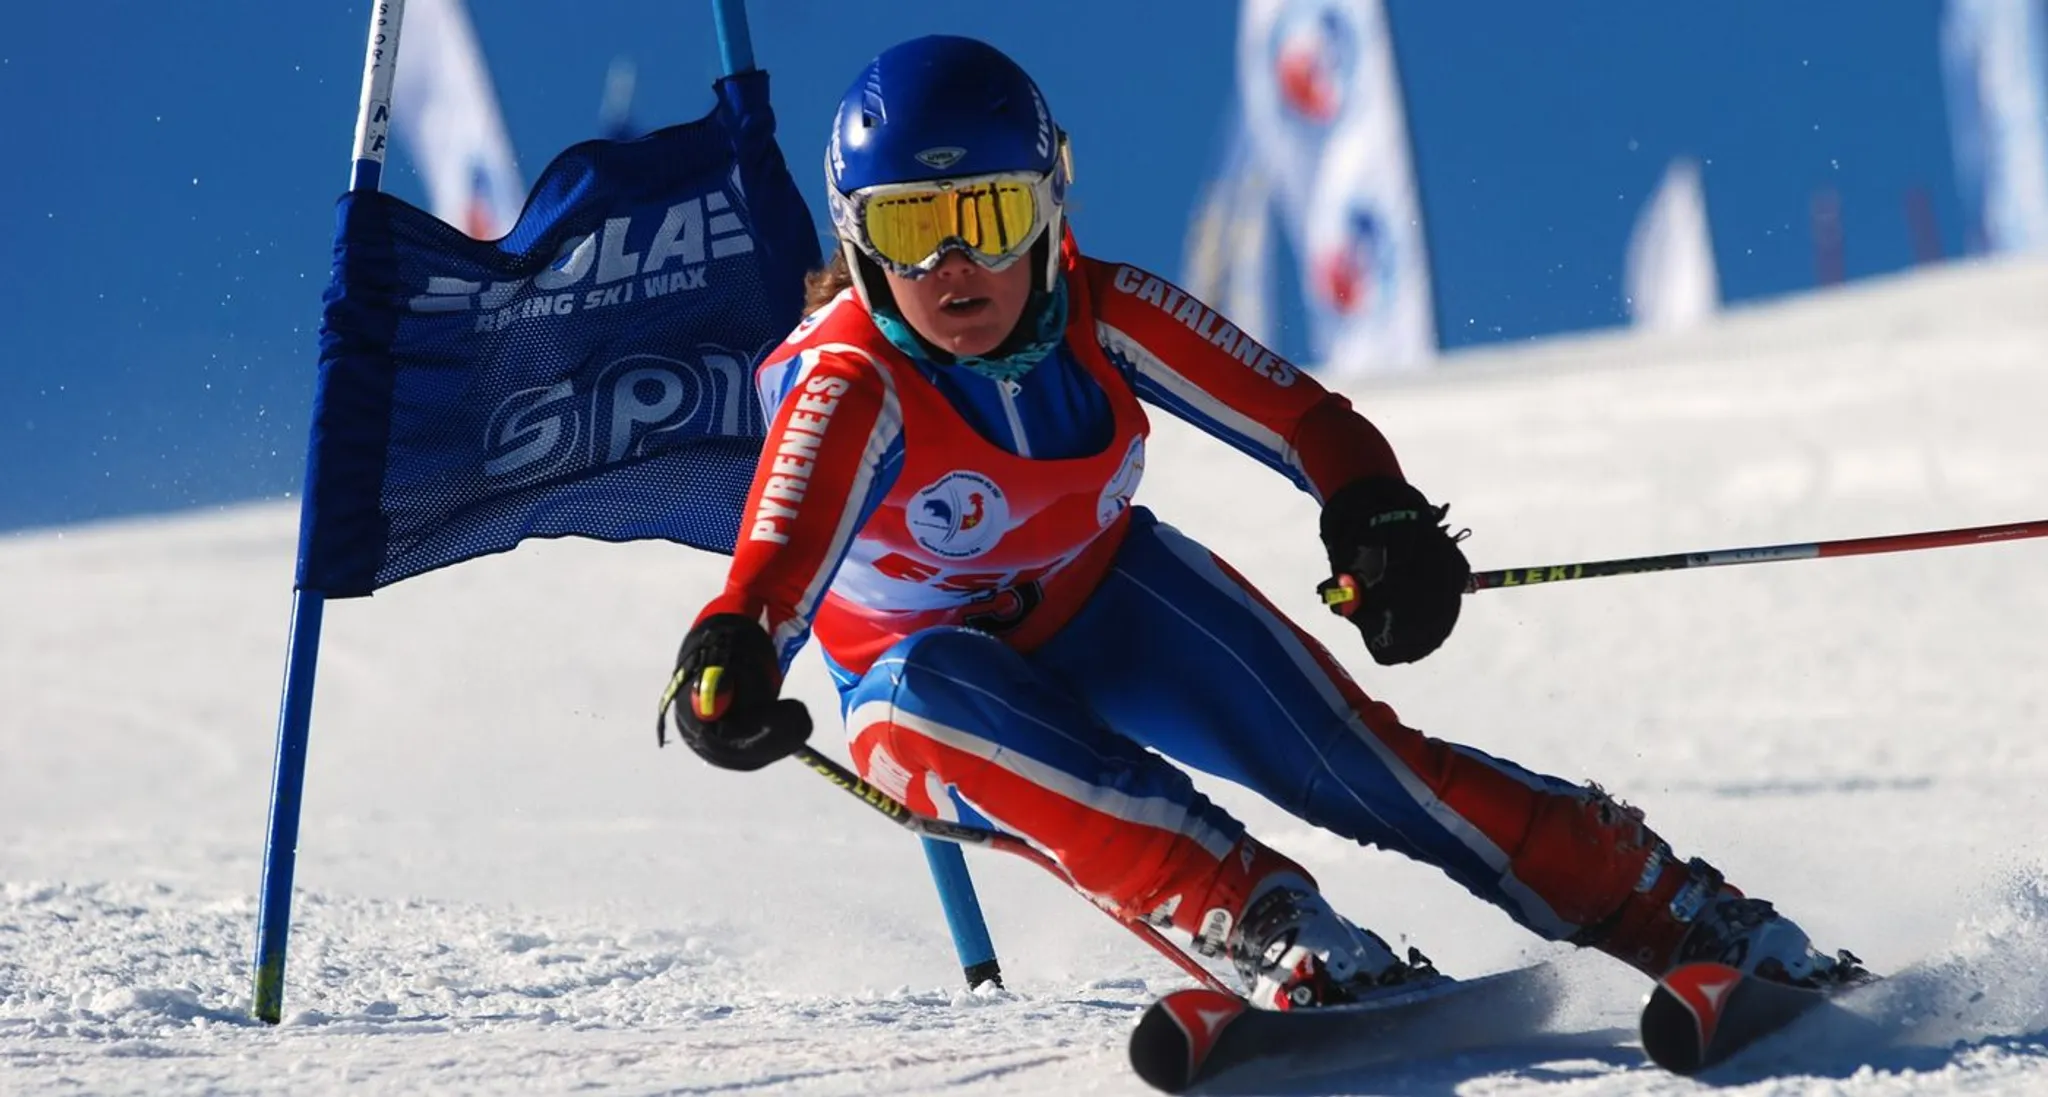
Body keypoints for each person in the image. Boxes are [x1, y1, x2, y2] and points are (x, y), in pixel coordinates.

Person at [661, 34, 1856, 1009]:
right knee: (967, 707)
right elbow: (780, 546)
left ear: (1045, 205)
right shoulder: (851, 381)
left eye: (985, 208)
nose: (955, 260)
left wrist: (1375, 519)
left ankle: (1676, 908)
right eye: (914, 228)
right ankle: (1272, 926)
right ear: (861, 239)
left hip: (1102, 594)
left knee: (1365, 764)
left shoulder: (1105, 311)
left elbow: (1300, 417)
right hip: (916, 680)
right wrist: (735, 648)